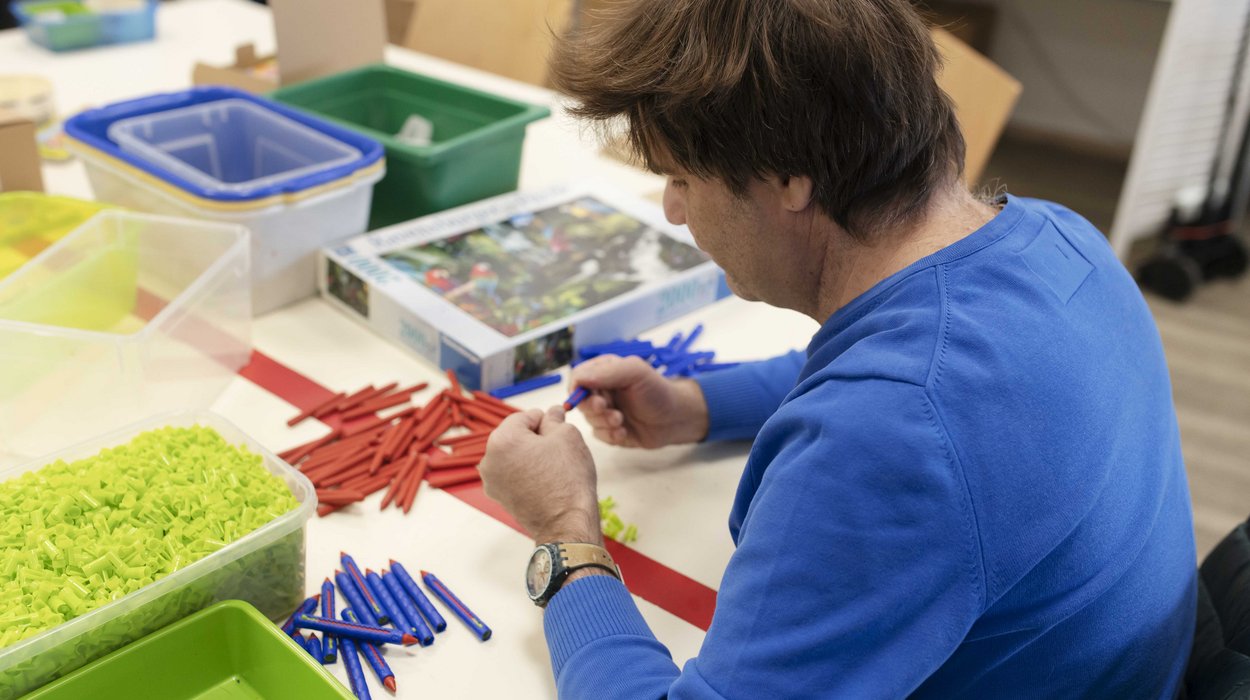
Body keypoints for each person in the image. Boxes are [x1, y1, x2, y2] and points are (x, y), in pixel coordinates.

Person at [477, 0, 1197, 697]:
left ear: (790, 178)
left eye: (682, 178)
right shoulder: (1060, 239)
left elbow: (896, 415)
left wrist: (565, 534)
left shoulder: (888, 439)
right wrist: (692, 406)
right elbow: (886, 371)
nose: (672, 208)